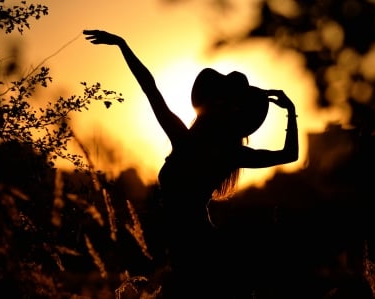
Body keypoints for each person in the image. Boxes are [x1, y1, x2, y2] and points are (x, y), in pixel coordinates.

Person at [83, 29, 298, 298]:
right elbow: (150, 88)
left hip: (196, 248)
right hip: (191, 246)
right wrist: (123, 45)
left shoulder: (196, 144)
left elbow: (288, 156)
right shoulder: (209, 147)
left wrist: (291, 111)